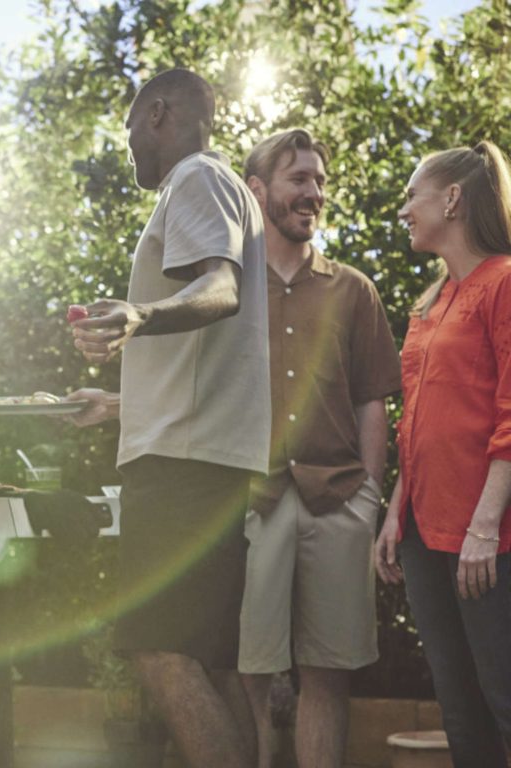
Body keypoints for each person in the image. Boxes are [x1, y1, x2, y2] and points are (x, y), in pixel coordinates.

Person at [67, 68, 270, 768]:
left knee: (157, 650)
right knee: (209, 663)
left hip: (183, 465)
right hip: (208, 456)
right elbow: (210, 363)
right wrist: (121, 404)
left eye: (128, 129)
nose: (128, 146)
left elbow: (221, 291)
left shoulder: (196, 179)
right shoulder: (227, 188)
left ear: (158, 113)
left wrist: (139, 314)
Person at [236, 129, 401, 768]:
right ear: (258, 191)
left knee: (328, 674)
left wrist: (368, 498)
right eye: (299, 179)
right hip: (252, 500)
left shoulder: (352, 290)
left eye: (320, 181)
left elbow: (372, 400)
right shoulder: (227, 290)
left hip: (338, 502)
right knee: (250, 672)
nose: (314, 193)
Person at [375, 142, 511, 768]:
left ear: (452, 199)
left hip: (487, 541)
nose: (404, 210)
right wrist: (394, 515)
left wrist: (484, 526)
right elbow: (416, 428)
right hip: (424, 537)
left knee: (504, 696)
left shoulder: (504, 283)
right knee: (458, 707)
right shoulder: (429, 305)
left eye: (413, 196)